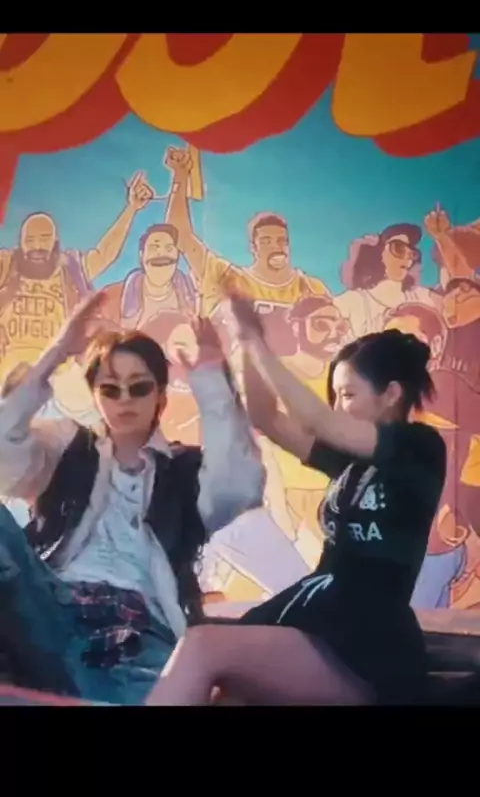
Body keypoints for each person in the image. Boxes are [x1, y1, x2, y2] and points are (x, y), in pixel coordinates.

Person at [146, 293, 447, 706]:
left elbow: (317, 419)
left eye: (348, 394)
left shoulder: (420, 447)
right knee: (228, 695)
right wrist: (242, 343)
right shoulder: (348, 458)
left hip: (366, 642)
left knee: (203, 646)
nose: (338, 406)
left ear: (391, 394)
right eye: (335, 396)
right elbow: (266, 417)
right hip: (320, 610)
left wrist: (257, 341)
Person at [0, 293, 265, 705]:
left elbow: (240, 487)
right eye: (110, 389)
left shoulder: (185, 470)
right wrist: (59, 350)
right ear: (95, 396)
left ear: (161, 396)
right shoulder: (65, 447)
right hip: (50, 605)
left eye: (139, 387)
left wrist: (212, 380)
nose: (124, 399)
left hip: (137, 630)